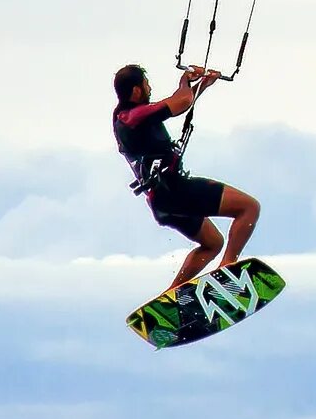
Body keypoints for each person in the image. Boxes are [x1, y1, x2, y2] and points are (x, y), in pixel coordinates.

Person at [111, 62, 261, 301]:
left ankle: (171, 298)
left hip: (162, 203)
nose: (150, 88)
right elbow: (180, 102)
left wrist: (200, 86)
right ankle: (228, 270)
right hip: (175, 192)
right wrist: (184, 83)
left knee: (213, 242)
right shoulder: (133, 117)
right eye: (146, 84)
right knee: (249, 207)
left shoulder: (127, 118)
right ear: (137, 91)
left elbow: (174, 104)